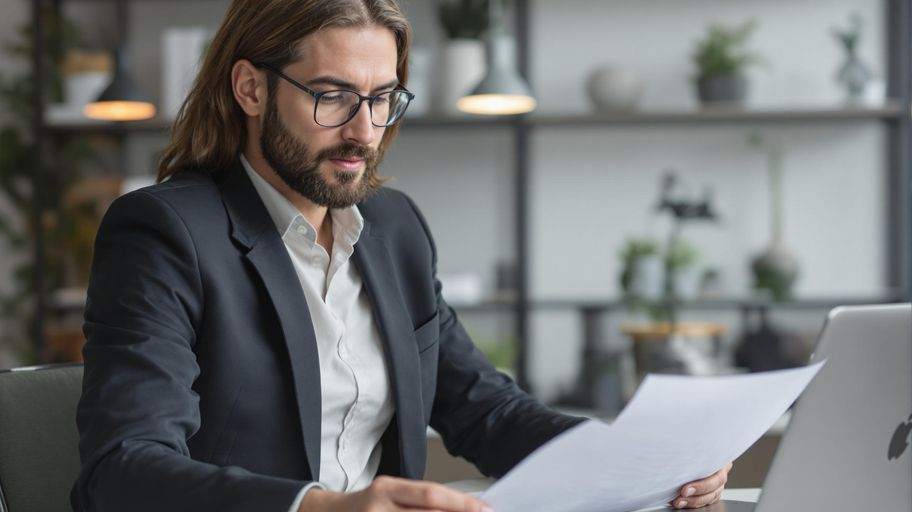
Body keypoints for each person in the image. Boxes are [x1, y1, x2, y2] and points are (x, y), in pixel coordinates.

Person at [70, 1, 732, 511]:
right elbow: (124, 467)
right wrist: (322, 508)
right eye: (331, 97)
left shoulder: (392, 229)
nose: (363, 131)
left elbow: (486, 411)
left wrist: (640, 460)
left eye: (383, 99)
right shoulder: (165, 231)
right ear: (250, 89)